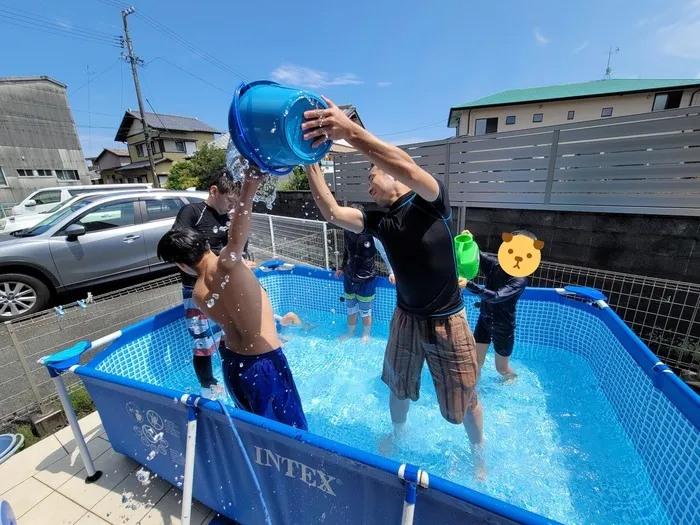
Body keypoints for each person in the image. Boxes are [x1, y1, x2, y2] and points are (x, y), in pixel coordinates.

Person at [300, 98, 485, 477]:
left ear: (394, 176)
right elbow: (333, 212)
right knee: (397, 388)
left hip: (448, 320)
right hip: (406, 318)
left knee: (463, 400)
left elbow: (401, 163)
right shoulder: (379, 221)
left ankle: (478, 454)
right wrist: (309, 164)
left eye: (373, 175)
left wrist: (350, 132)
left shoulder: (431, 202)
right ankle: (398, 435)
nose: (369, 183)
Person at [158, 167, 307, 431]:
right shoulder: (229, 264)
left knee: (255, 434)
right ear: (204, 242)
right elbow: (240, 227)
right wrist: (249, 186)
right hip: (263, 367)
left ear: (182, 266)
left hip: (232, 367)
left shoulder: (197, 293)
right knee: (291, 437)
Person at [173, 169, 256, 398]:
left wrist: (241, 262)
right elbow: (179, 250)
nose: (231, 206)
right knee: (202, 342)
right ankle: (207, 385)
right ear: (214, 191)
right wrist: (205, 273)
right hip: (196, 288)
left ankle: (231, 373)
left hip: (224, 287)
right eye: (229, 200)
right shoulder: (192, 213)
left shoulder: (226, 218)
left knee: (226, 333)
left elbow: (235, 249)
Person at [459, 230, 532, 379]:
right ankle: (474, 394)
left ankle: (513, 379)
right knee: (476, 362)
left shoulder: (519, 280)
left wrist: (469, 285)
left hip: (503, 327)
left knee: (502, 369)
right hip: (484, 320)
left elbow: (497, 297)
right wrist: (470, 242)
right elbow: (478, 255)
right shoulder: (495, 265)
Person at [335, 205, 395, 342]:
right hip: (349, 278)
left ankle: (366, 334)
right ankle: (350, 332)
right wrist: (342, 268)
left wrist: (391, 272)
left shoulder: (372, 233)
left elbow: (384, 253)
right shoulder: (347, 231)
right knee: (350, 309)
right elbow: (346, 251)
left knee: (365, 311)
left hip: (367, 280)